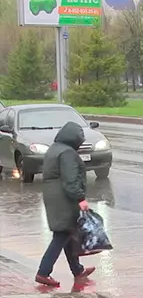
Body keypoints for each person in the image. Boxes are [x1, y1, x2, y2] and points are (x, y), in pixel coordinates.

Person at [35, 121, 96, 287]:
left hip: (54, 197)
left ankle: (77, 270)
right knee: (61, 235)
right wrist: (80, 199)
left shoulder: (54, 149)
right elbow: (70, 180)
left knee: (68, 235)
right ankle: (43, 272)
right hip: (64, 199)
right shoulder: (67, 153)